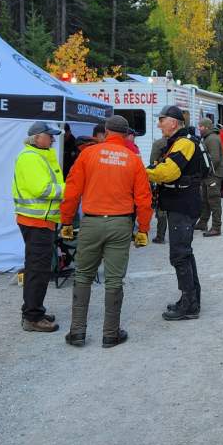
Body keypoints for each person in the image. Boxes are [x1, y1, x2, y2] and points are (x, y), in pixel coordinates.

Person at [58, 115, 153, 348]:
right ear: (125, 134)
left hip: (91, 222)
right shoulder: (132, 159)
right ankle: (110, 333)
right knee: (114, 279)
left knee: (83, 275)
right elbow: (143, 198)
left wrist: (67, 222)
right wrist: (143, 229)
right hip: (120, 224)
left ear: (106, 131)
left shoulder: (88, 154)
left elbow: (71, 191)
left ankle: (77, 331)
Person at [146, 105, 204, 320]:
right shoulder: (179, 142)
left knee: (179, 254)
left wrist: (143, 173)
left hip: (183, 204)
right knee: (184, 253)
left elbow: (169, 172)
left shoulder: (184, 143)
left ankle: (189, 306)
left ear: (173, 122)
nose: (159, 124)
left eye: (161, 120)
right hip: (181, 204)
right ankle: (190, 299)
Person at [11, 121, 65, 333]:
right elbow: (42, 189)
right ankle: (32, 317)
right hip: (36, 222)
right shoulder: (31, 158)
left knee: (38, 269)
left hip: (40, 221)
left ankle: (34, 310)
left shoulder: (38, 156)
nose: (53, 139)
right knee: (38, 271)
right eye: (49, 136)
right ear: (38, 138)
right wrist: (69, 189)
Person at [196, 118, 223, 237]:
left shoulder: (212, 138)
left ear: (206, 127)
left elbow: (215, 159)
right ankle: (203, 222)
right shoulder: (208, 137)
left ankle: (216, 227)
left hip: (213, 175)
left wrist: (207, 172)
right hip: (209, 175)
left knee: (214, 201)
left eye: (201, 126)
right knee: (205, 200)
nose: (199, 128)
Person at [148, 133, 169, 243]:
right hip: (179, 180)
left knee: (162, 209)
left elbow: (153, 162)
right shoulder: (182, 142)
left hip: (163, 180)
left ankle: (160, 236)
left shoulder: (158, 143)